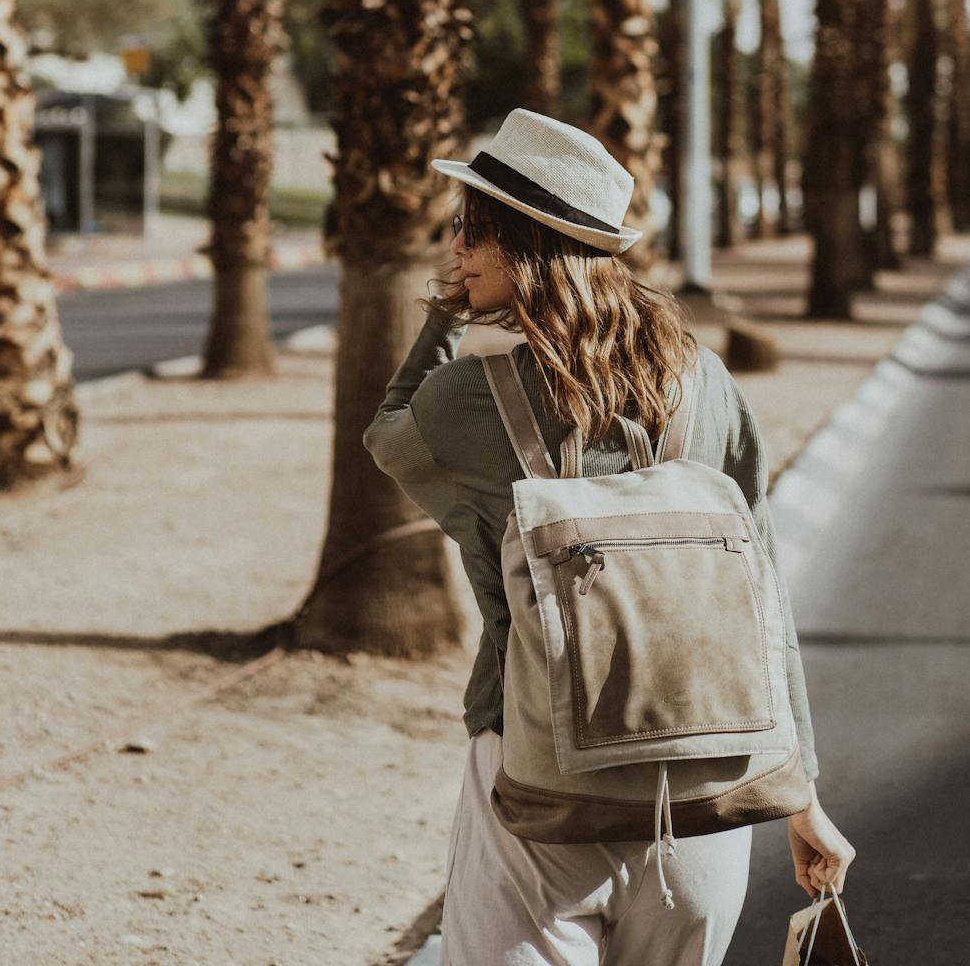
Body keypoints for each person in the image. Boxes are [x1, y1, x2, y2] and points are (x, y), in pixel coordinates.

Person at [363, 108, 855, 966]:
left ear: (526, 247)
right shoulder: (707, 384)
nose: (454, 250)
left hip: (539, 787)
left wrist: (447, 311)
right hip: (709, 794)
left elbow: (389, 429)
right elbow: (763, 596)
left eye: (471, 229)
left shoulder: (473, 403)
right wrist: (801, 796)